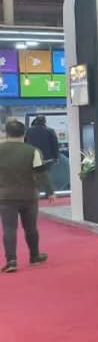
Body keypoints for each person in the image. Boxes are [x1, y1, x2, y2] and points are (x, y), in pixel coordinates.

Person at [0, 118, 47, 273]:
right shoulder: (33, 151)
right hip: (29, 195)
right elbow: (41, 173)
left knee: (9, 229)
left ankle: (11, 261)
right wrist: (50, 191)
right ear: (24, 133)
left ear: (6, 133)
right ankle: (34, 256)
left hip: (5, 196)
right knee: (31, 227)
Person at [25, 115, 60, 199]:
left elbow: (25, 143)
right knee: (46, 175)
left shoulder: (29, 131)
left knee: (34, 176)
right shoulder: (50, 131)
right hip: (47, 158)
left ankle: (35, 193)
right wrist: (56, 157)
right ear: (44, 121)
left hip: (32, 157)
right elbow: (54, 145)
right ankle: (48, 193)